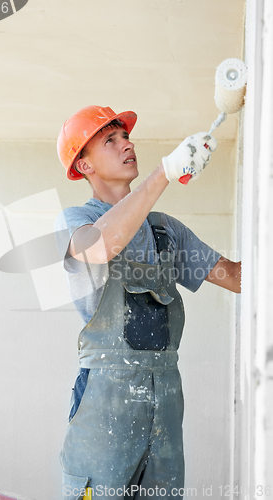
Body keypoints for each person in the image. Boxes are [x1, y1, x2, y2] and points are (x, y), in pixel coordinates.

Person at [54, 105, 241, 500]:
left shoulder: (166, 231)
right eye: (111, 140)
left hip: (166, 400)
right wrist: (164, 174)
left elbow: (238, 278)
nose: (127, 143)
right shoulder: (76, 221)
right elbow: (100, 245)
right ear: (84, 166)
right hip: (106, 401)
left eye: (125, 136)